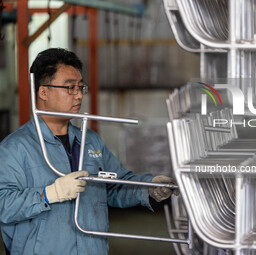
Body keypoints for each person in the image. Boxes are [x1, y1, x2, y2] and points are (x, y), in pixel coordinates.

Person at [0, 48, 178, 255]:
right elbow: (4, 204)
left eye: (80, 87)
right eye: (69, 87)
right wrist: (48, 194)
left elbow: (112, 187)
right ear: (43, 92)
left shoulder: (90, 141)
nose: (78, 95)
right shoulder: (14, 148)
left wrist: (147, 187)